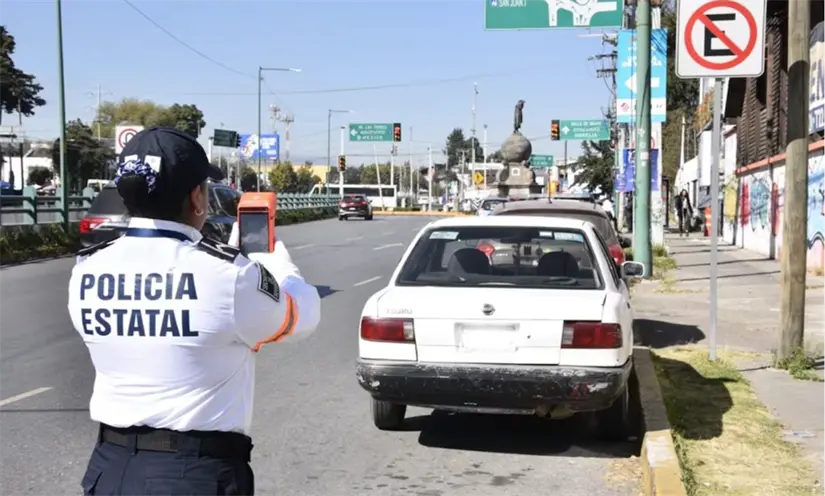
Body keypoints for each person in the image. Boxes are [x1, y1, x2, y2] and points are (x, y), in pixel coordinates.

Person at [68, 127, 321, 495]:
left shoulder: (86, 269)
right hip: (191, 474)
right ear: (197, 198)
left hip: (110, 470)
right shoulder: (229, 275)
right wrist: (276, 266)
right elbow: (301, 318)